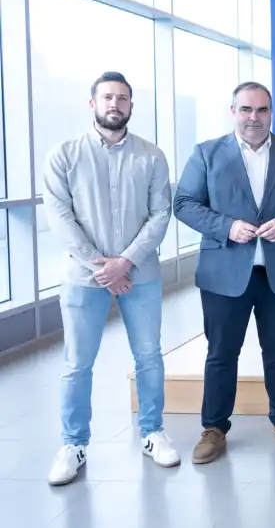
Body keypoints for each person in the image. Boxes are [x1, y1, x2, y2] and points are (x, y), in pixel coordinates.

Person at [174, 81, 275, 464]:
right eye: (246, 109)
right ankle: (213, 429)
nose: (254, 117)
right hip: (224, 273)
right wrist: (226, 227)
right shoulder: (207, 153)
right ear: (233, 112)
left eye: (261, 110)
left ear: (271, 113)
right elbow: (184, 203)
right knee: (221, 353)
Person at [43, 71, 176, 485]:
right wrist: (103, 267)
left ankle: (153, 432)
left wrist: (126, 262)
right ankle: (73, 444)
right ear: (93, 103)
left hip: (140, 274)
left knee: (149, 356)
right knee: (77, 363)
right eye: (107, 97)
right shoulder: (64, 155)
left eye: (122, 98)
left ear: (131, 105)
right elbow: (59, 217)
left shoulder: (151, 156)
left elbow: (160, 214)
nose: (115, 104)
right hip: (84, 279)